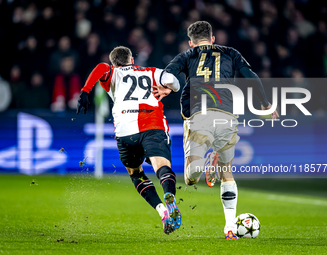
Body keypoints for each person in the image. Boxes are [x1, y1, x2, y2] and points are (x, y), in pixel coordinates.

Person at [154, 21, 279, 240]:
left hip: (198, 115)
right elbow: (251, 77)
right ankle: (229, 227)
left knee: (191, 178)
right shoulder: (231, 52)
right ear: (213, 39)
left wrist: (168, 87)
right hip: (227, 116)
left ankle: (205, 162)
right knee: (227, 171)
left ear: (191, 42)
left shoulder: (187, 55)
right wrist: (266, 104)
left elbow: (167, 76)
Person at [76, 46, 181, 234]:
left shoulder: (112, 73)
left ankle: (162, 211)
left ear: (114, 63)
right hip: (152, 124)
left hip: (125, 130)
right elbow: (173, 80)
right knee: (162, 167)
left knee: (136, 174)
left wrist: (85, 90)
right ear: (132, 59)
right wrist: (168, 90)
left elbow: (100, 67)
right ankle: (169, 196)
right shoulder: (151, 71)